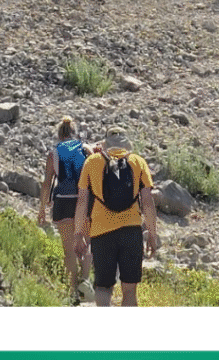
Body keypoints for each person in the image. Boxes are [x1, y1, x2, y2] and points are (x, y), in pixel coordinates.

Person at [73, 127, 159, 307]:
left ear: (105, 144)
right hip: (131, 232)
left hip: (101, 232)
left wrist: (78, 233)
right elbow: (148, 203)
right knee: (129, 291)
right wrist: (152, 234)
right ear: (126, 143)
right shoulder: (138, 162)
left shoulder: (92, 162)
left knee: (104, 288)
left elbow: (82, 201)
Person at [38, 116, 94, 305]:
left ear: (59, 134)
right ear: (74, 132)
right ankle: (85, 280)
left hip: (62, 201)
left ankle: (73, 293)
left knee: (69, 250)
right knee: (87, 243)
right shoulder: (85, 149)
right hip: (83, 201)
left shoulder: (53, 154)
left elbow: (47, 184)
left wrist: (41, 210)